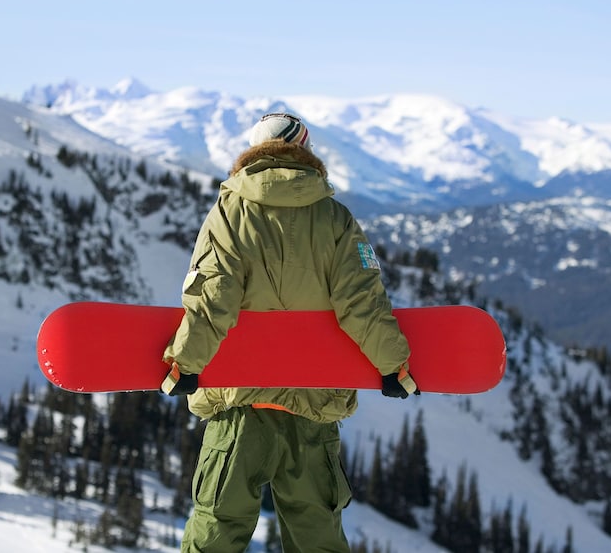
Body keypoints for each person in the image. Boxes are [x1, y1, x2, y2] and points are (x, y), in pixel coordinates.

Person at [160, 112, 418, 552]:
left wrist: (185, 363)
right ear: (305, 152)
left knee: (215, 532)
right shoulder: (336, 218)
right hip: (313, 408)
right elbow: (361, 303)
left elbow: (213, 296)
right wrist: (395, 367)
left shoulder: (229, 211)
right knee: (317, 538)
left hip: (238, 405)